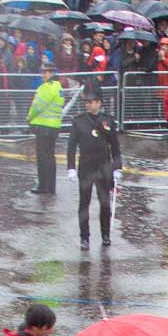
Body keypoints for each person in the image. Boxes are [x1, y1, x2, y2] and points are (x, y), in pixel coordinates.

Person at [65, 82, 123, 248]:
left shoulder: (108, 121)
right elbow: (71, 146)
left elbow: (115, 146)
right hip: (86, 167)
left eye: (91, 102)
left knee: (105, 203)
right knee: (84, 203)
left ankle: (105, 234)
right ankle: (84, 237)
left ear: (99, 102)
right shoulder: (79, 121)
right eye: (86, 102)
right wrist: (71, 168)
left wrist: (117, 167)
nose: (88, 104)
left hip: (104, 167)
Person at [27, 69, 67, 195]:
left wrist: (29, 117)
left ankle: (43, 186)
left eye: (46, 72)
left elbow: (38, 106)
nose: (43, 75)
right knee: (50, 157)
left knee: (43, 158)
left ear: (52, 74)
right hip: (54, 126)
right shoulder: (58, 87)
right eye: (43, 72)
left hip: (43, 126)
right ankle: (51, 186)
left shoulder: (46, 88)